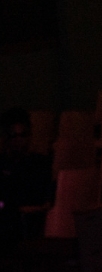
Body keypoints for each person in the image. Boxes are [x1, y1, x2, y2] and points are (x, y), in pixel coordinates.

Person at [0, 108, 52, 252]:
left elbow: (41, 198)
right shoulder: (2, 163)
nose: (18, 140)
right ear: (6, 138)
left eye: (23, 135)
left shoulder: (39, 163)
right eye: (13, 136)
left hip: (29, 219)